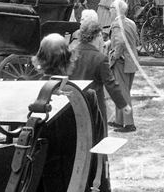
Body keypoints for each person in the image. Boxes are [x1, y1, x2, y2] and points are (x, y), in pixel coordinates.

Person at [32, 34, 109, 191]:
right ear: (69, 60)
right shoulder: (87, 96)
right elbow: (99, 147)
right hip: (77, 180)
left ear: (40, 60)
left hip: (39, 183)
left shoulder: (28, 95)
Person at [70, 20, 132, 128]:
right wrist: (123, 104)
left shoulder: (70, 54)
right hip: (95, 105)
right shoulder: (100, 58)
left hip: (74, 103)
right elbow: (110, 83)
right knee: (98, 138)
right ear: (97, 36)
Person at [108, 0, 139, 133]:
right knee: (123, 91)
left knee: (123, 92)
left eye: (111, 8)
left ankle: (129, 124)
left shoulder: (116, 23)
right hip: (132, 61)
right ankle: (119, 121)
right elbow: (135, 40)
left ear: (116, 10)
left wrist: (114, 56)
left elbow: (120, 42)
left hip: (121, 61)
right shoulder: (131, 23)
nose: (109, 10)